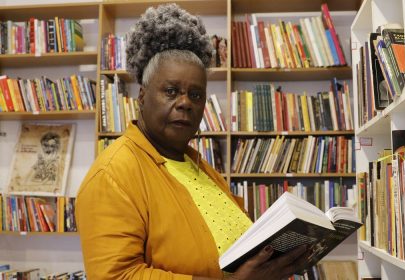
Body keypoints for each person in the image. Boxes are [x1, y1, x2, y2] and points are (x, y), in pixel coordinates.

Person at [76, 4, 314, 279]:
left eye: (196, 95)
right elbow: (116, 276)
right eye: (171, 91)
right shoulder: (113, 174)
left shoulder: (199, 167)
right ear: (141, 96)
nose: (185, 103)